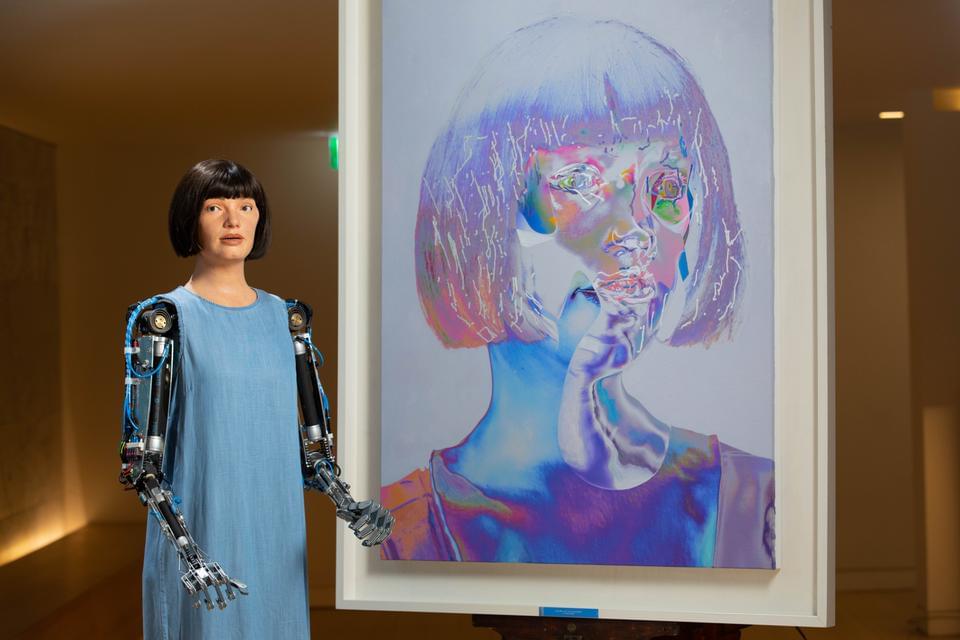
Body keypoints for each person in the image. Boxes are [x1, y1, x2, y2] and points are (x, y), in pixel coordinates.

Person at [381, 17, 775, 568]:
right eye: (578, 183)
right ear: (478, 217)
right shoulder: (401, 533)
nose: (636, 230)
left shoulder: (753, 503)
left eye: (666, 187)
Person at [139, 159, 311, 638]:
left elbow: (311, 444)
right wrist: (190, 553)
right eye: (215, 207)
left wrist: (346, 499)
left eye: (246, 206)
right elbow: (143, 464)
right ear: (190, 219)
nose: (233, 220)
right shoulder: (166, 319)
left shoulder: (286, 318)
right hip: (203, 533)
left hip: (278, 531)